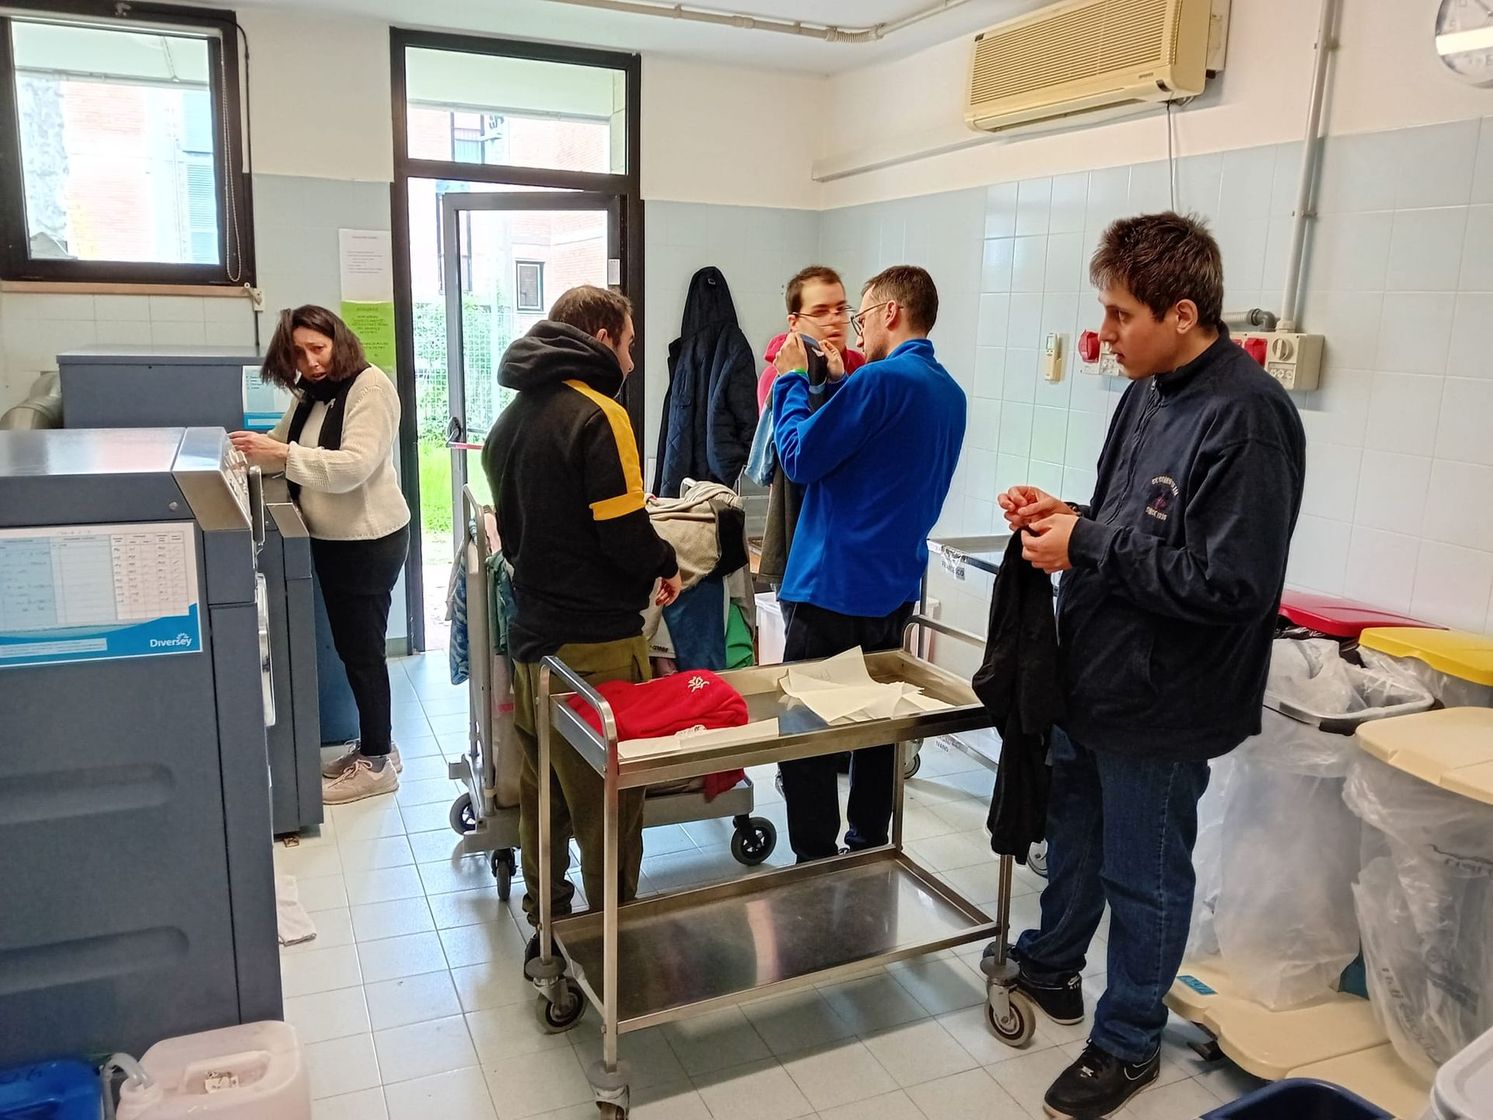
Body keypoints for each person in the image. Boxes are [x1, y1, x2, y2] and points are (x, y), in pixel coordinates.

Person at [998, 212, 1305, 1120]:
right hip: (1095, 673)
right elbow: (1132, 525)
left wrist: (1085, 543)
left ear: (1181, 313)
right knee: (1074, 839)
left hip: (1166, 698)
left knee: (1145, 875)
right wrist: (1065, 515)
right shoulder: (1146, 391)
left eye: (1120, 315)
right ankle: (1051, 964)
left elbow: (1230, 584)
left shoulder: (1247, 418)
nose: (1104, 333)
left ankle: (1128, 1041)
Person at [481, 285, 682, 948]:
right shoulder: (599, 415)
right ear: (600, 338)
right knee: (607, 807)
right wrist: (665, 561)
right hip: (597, 649)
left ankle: (549, 923)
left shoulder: (509, 421)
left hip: (532, 645)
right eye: (628, 345)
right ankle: (609, 943)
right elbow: (625, 537)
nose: (631, 362)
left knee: (545, 798)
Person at [770, 265, 966, 862]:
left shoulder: (879, 380)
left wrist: (790, 382)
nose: (853, 328)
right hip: (894, 588)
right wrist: (836, 388)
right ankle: (868, 842)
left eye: (858, 315)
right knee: (878, 723)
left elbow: (799, 457)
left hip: (832, 587)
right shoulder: (949, 394)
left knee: (805, 727)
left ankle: (814, 855)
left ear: (889, 313)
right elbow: (872, 461)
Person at [230, 305, 411, 805]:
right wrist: (241, 455)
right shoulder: (314, 393)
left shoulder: (370, 388)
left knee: (363, 652)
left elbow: (352, 467)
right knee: (355, 650)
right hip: (336, 539)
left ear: (339, 342)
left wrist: (280, 456)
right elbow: (278, 444)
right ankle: (377, 745)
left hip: (367, 541)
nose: (309, 362)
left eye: (318, 348)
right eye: (298, 353)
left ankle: (378, 763)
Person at [756, 265, 866, 413]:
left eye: (840, 309)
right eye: (820, 312)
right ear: (794, 323)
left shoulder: (861, 365)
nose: (836, 320)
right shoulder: (776, 378)